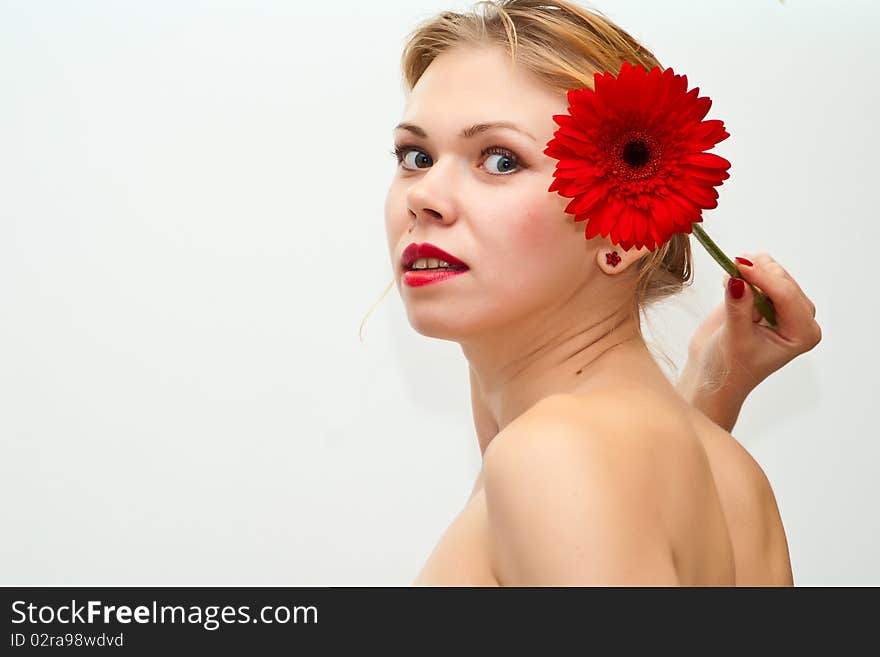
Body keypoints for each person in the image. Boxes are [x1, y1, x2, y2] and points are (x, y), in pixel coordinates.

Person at [383, 0, 822, 585]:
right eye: (416, 156)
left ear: (622, 231)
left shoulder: (551, 458)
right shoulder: (730, 473)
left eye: (500, 159)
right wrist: (712, 385)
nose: (424, 195)